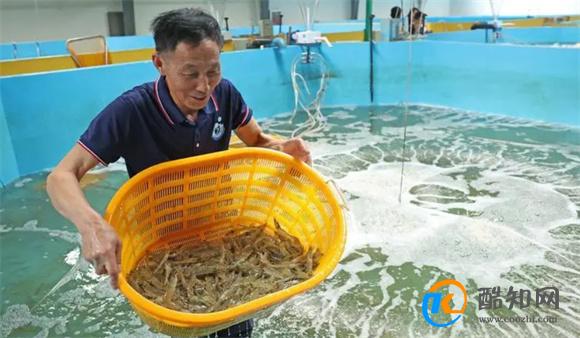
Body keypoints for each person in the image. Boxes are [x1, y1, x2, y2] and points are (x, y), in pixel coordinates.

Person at [46, 8, 311, 338]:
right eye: (190, 74)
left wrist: (284, 148)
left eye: (213, 71)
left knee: (237, 324)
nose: (204, 87)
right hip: (162, 242)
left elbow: (257, 140)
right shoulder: (131, 111)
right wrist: (91, 224)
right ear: (160, 63)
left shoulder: (225, 94)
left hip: (221, 231)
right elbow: (61, 176)